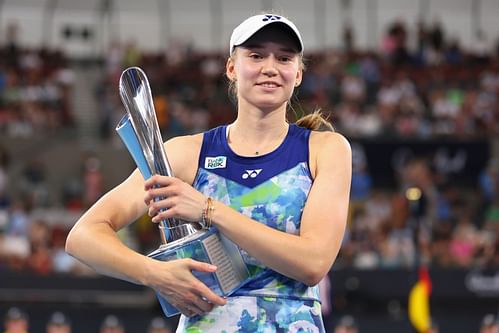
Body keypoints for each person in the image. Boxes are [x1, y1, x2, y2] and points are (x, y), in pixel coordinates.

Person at [66, 12, 351, 332]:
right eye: (256, 55)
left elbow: (313, 264)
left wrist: (208, 209)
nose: (270, 68)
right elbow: (83, 236)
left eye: (284, 58)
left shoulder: (325, 149)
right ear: (232, 67)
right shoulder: (187, 153)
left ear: (297, 73)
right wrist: (153, 273)